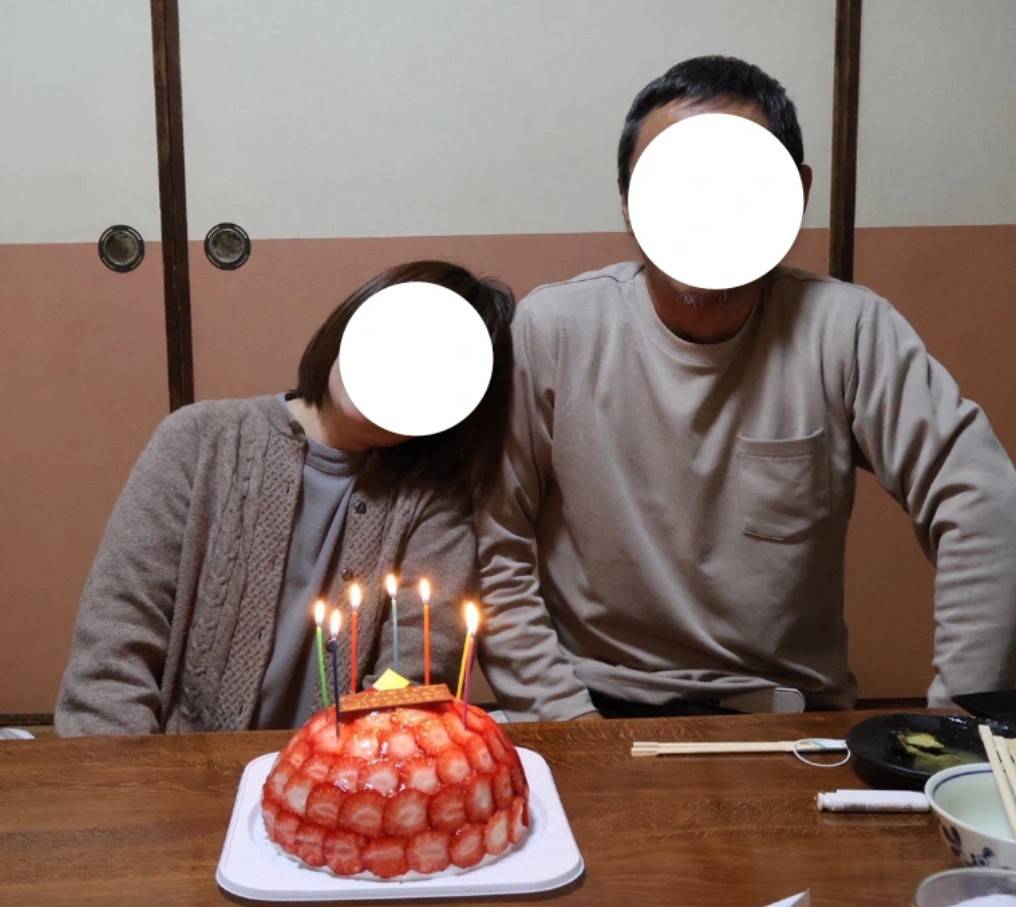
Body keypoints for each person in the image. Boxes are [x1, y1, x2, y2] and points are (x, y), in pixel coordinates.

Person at [477, 55, 1016, 721]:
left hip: (785, 715)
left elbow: (983, 499)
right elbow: (492, 542)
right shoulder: (555, 328)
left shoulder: (846, 328)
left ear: (797, 191)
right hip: (594, 702)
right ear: (628, 199)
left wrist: (961, 715)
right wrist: (569, 717)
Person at [56, 260, 514, 734]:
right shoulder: (199, 440)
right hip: (175, 764)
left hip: (345, 771)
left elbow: (411, 681)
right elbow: (112, 653)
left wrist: (332, 766)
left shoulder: (434, 503)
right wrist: (130, 774)